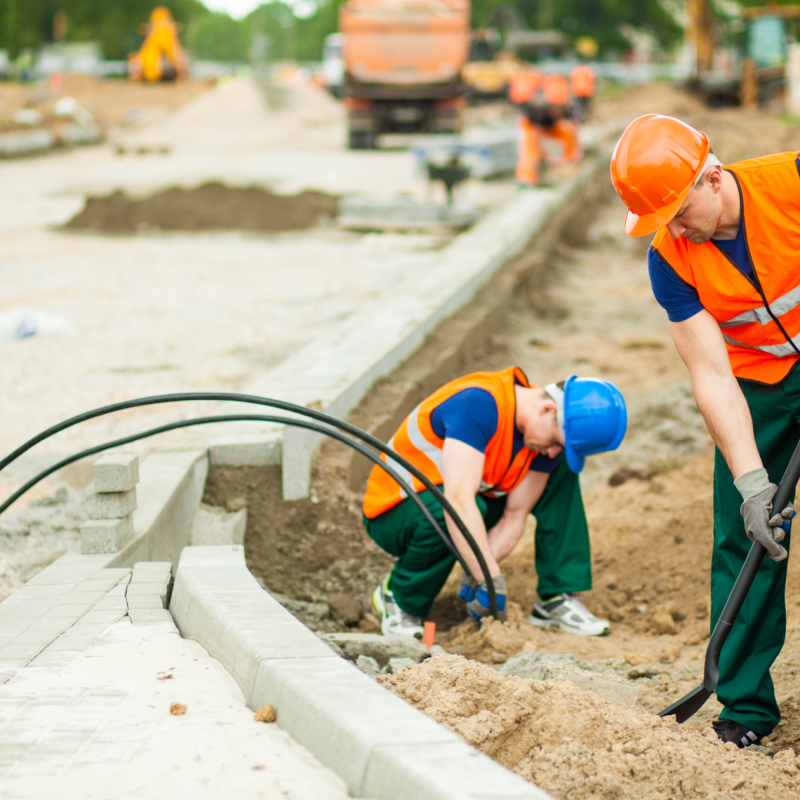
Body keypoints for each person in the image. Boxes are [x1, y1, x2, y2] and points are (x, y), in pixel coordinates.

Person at [610, 114, 800, 748]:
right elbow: (711, 373)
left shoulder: (792, 185)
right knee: (746, 537)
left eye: (676, 209)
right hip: (758, 386)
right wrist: (752, 485)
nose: (673, 226)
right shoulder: (670, 259)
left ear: (712, 178)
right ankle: (745, 709)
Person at [361, 366, 627, 640]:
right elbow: (458, 501)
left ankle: (555, 597)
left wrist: (480, 570)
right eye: (555, 442)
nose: (551, 452)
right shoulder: (478, 404)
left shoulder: (542, 434)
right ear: (548, 410)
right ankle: (399, 597)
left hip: (464, 503)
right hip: (396, 511)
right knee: (446, 509)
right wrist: (490, 576)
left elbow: (515, 515)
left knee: (562, 471)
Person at [509, 71, 582, 188]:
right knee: (530, 151)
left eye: (559, 108)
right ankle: (527, 179)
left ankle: (568, 169)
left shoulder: (569, 107)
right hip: (532, 127)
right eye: (553, 108)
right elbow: (536, 137)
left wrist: (573, 155)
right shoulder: (537, 110)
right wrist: (548, 156)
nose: (556, 112)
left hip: (552, 127)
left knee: (567, 132)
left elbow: (574, 128)